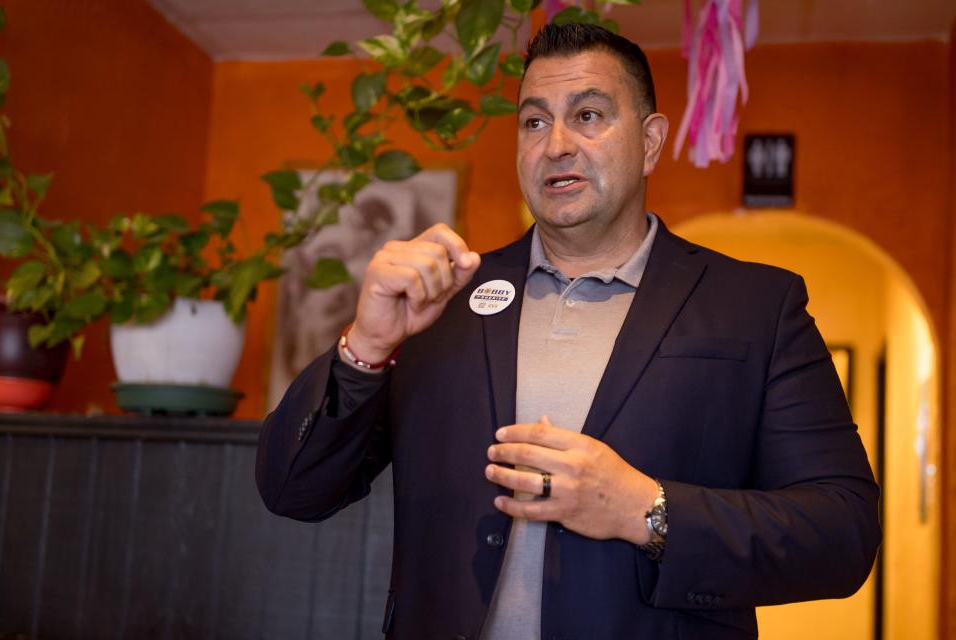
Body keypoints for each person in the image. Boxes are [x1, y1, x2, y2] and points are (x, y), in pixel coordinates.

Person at [256, 23, 880, 640]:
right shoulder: (444, 298)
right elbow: (294, 489)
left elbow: (842, 534)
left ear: (651, 141)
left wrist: (645, 509)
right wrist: (366, 346)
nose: (556, 144)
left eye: (588, 115)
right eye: (534, 121)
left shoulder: (756, 306)